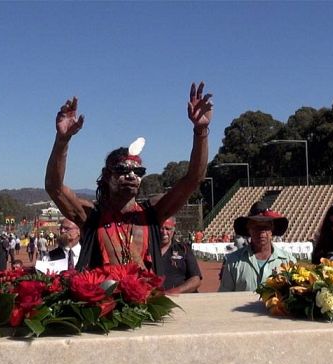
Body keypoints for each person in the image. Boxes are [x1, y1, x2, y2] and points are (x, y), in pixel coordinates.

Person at [45, 82, 212, 272]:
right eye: (122, 170)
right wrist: (62, 140)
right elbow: (54, 187)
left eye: (138, 172)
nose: (131, 175)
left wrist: (201, 132)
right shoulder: (92, 215)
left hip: (146, 299)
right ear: (107, 176)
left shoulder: (152, 213)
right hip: (103, 300)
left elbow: (193, 179)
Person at [219, 202, 295, 292]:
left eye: (265, 227)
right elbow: (224, 297)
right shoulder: (233, 262)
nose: (261, 232)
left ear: (272, 230)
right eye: (256, 227)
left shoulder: (288, 261)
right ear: (249, 230)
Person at [159, 217, 202, 293]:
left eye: (168, 229)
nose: (164, 232)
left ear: (173, 230)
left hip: (181, 300)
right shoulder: (148, 251)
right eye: (161, 228)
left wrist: (174, 292)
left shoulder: (183, 249)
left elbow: (196, 279)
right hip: (155, 301)